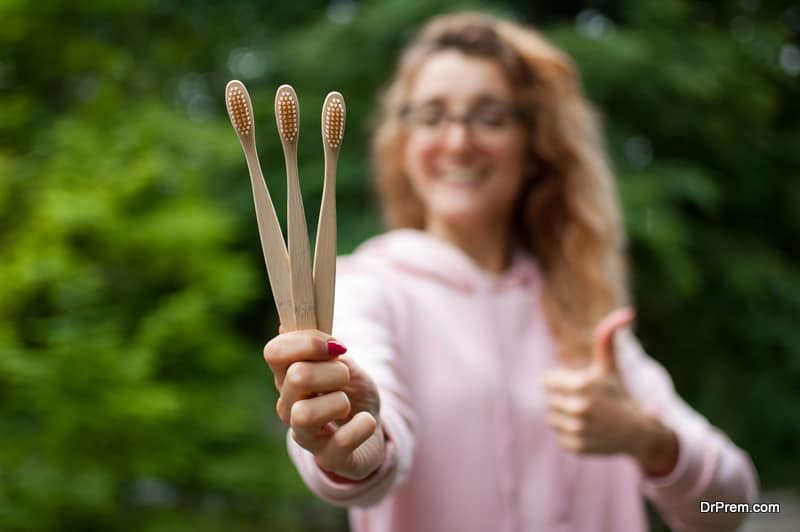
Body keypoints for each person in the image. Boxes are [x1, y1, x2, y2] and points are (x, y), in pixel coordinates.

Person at [263, 11, 758, 532]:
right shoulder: (364, 287)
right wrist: (357, 445)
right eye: (431, 116)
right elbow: (366, 441)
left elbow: (738, 508)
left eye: (490, 117)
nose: (457, 141)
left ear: (535, 144)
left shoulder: (584, 314)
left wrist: (648, 440)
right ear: (402, 141)